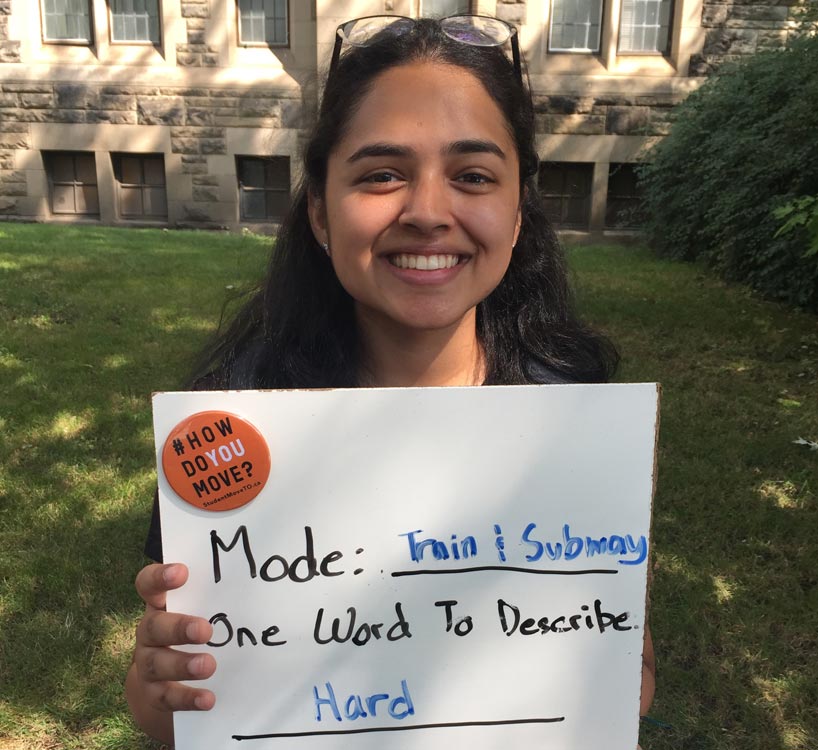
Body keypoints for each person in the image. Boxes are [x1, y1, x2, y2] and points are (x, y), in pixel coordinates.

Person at [125, 14, 655, 745]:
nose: (429, 213)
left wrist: (618, 663)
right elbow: (171, 717)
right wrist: (163, 688)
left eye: (473, 176)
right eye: (382, 175)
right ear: (318, 208)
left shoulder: (577, 415)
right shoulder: (230, 428)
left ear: (519, 207)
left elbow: (615, 694)